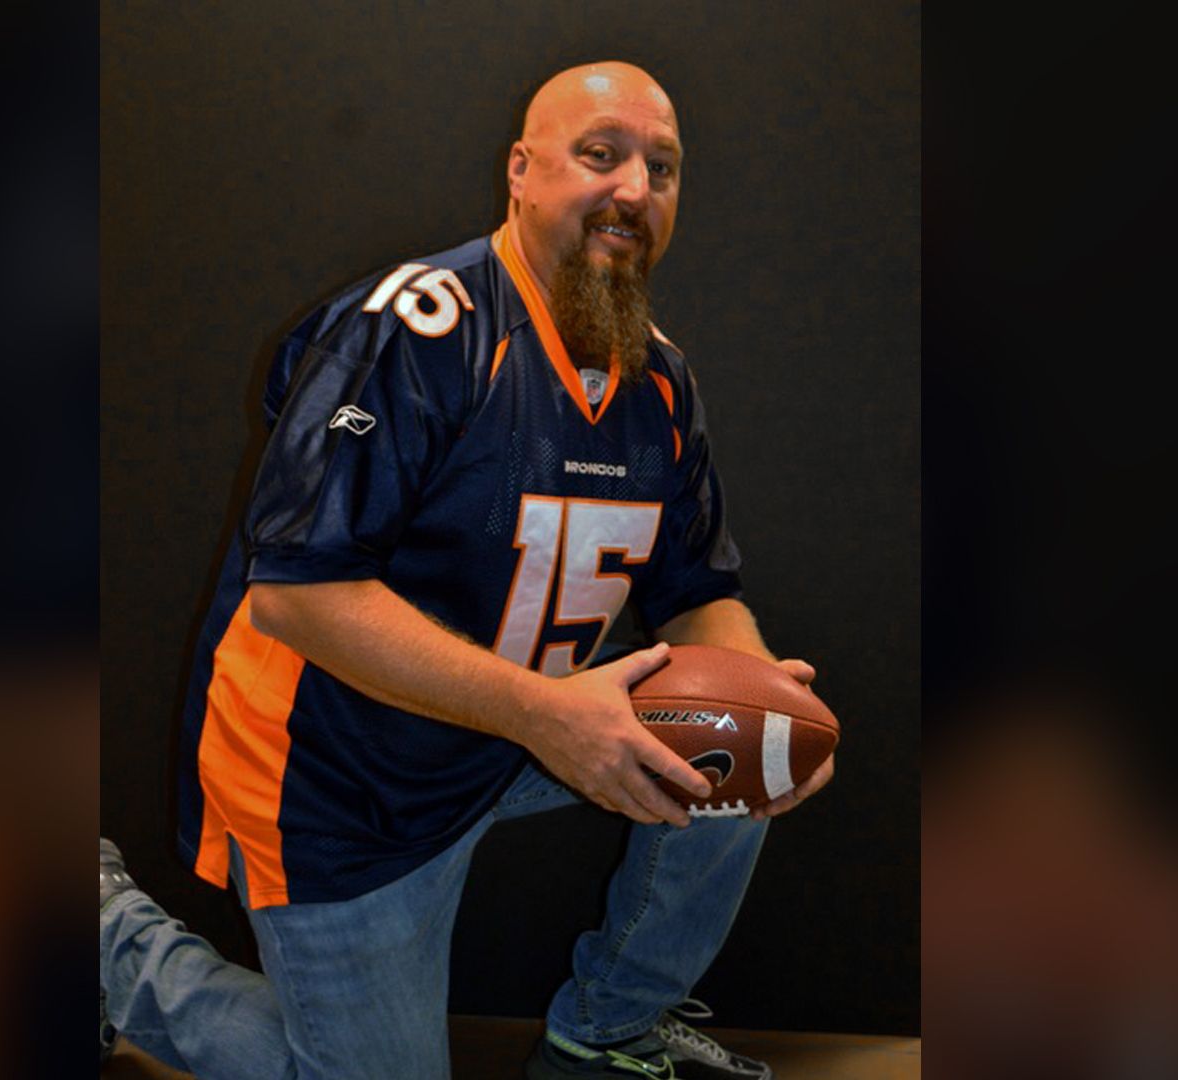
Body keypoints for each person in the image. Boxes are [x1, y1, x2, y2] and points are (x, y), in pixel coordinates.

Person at [101, 61, 836, 1080]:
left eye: (661, 168)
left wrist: (765, 704)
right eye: (601, 154)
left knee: (739, 740)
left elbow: (698, 594)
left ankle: (605, 1028)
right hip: (342, 769)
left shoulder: (659, 377)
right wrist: (544, 715)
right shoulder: (415, 329)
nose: (634, 188)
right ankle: (107, 941)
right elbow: (297, 597)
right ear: (521, 172)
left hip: (515, 726)